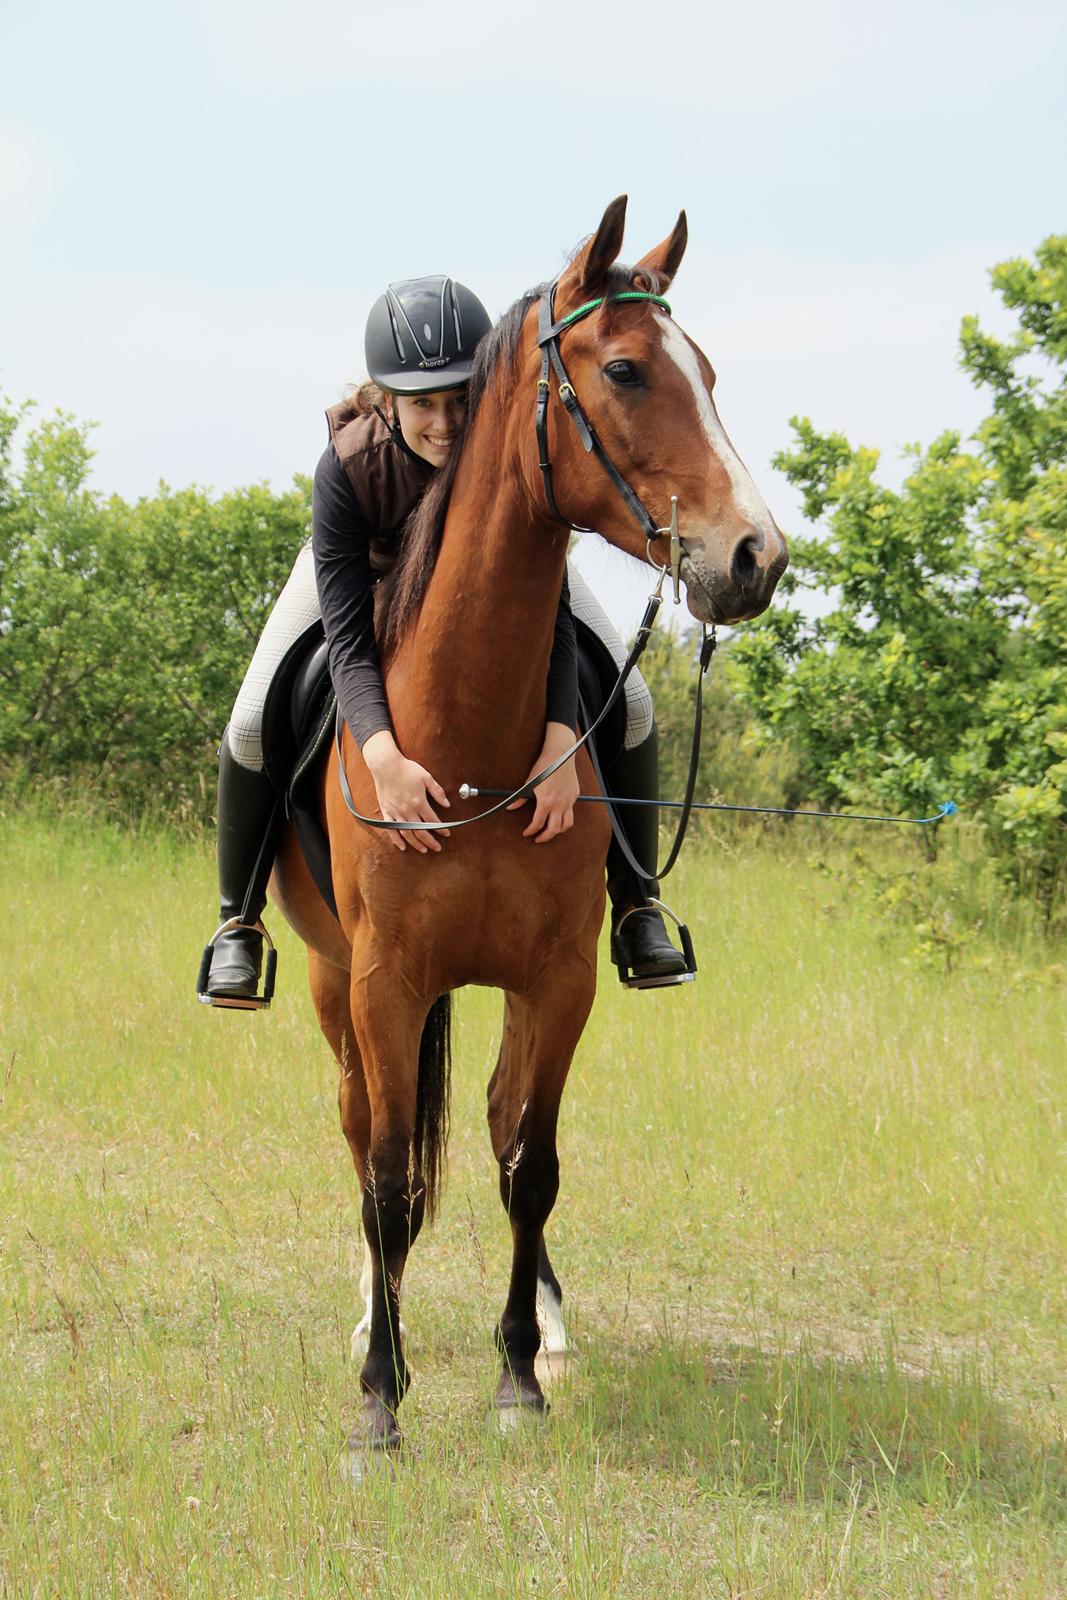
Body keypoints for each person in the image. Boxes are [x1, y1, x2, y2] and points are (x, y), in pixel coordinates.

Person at [201, 276, 689, 1007]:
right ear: (386, 399)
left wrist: (560, 737)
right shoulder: (348, 466)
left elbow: (543, 611)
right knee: (247, 723)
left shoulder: (507, 451)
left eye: (460, 399)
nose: (444, 423)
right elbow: (346, 636)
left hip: (505, 592)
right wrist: (380, 753)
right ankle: (238, 921)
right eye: (421, 404)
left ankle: (637, 906)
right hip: (365, 581)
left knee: (638, 706)